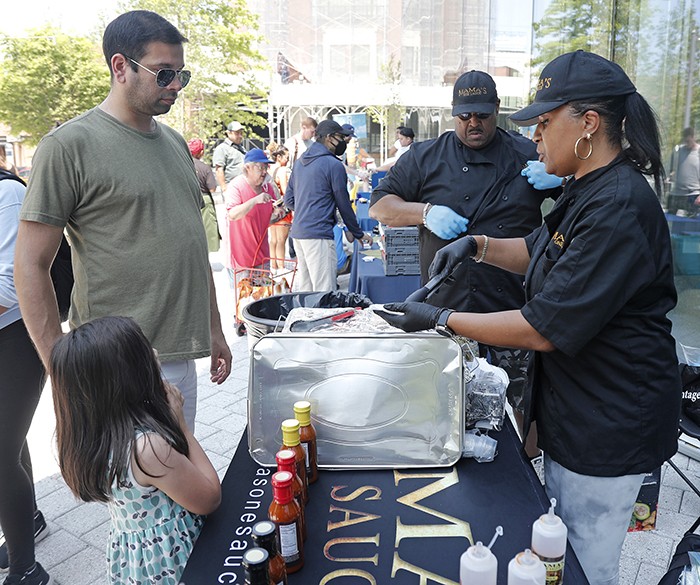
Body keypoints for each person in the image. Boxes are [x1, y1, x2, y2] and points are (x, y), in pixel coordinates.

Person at [376, 50, 680, 585]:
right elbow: (537, 248)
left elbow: (542, 327)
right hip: (575, 407)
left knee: (585, 561)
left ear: (588, 124)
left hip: (607, 421)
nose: (535, 138)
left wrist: (440, 318)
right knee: (555, 543)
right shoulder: (586, 190)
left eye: (543, 123)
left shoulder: (619, 206)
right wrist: (478, 245)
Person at [14, 10, 232, 434]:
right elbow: (29, 265)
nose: (175, 87)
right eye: (164, 73)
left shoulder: (172, 143)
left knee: (181, 488)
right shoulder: (68, 146)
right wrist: (60, 368)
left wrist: (215, 329)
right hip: (116, 365)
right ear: (120, 67)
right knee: (146, 498)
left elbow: (190, 244)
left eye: (181, 76)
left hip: (179, 357)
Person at [369, 69, 560, 456]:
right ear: (454, 113)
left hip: (511, 305)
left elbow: (583, 202)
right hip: (445, 305)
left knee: (525, 401)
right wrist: (425, 212)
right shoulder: (425, 156)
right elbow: (381, 206)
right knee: (442, 401)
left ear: (496, 110)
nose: (473, 123)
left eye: (482, 115)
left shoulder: (527, 153)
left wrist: (560, 181)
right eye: (464, 116)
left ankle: (526, 470)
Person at [49, 316, 221, 585]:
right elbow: (209, 498)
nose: (155, 353)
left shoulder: (94, 437)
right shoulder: (148, 449)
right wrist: (182, 426)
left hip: (136, 561)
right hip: (175, 563)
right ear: (124, 378)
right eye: (143, 351)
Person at [0, 171, 51, 585]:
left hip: (19, 339)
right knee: (8, 443)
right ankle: (28, 518)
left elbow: (13, 286)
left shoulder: (8, 193)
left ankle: (27, 571)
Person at [284, 120, 373, 292]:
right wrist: (358, 233)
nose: (343, 142)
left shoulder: (300, 162)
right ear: (329, 138)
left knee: (306, 292)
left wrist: (307, 209)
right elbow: (344, 204)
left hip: (298, 234)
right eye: (340, 137)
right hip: (318, 235)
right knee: (325, 293)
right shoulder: (333, 165)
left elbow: (289, 200)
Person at [225, 148, 286, 335]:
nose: (264, 172)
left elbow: (270, 219)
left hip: (262, 253)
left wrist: (279, 214)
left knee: (261, 296)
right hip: (240, 254)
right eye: (260, 167)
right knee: (243, 299)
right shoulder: (236, 186)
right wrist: (255, 200)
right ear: (247, 168)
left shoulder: (269, 188)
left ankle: (259, 326)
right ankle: (241, 325)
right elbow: (233, 214)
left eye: (266, 167)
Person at [188, 138, 220, 253]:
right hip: (204, 200)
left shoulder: (184, 165)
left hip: (188, 199)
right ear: (201, 152)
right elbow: (212, 188)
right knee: (207, 231)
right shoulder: (204, 168)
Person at [267, 143, 293, 274]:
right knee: (282, 239)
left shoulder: (269, 169)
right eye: (286, 157)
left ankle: (273, 266)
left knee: (273, 239)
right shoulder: (282, 171)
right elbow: (285, 190)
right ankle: (281, 266)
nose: (288, 160)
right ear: (279, 157)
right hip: (283, 209)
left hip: (272, 208)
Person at [667, 127, 700, 216]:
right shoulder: (679, 151)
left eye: (688, 141)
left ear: (693, 138)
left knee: (691, 224)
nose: (686, 143)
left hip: (693, 194)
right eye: (685, 141)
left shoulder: (698, 152)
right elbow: (671, 169)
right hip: (677, 193)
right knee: (670, 219)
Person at [213, 121, 246, 192]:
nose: (240, 136)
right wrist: (224, 187)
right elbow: (219, 169)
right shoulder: (222, 149)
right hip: (231, 187)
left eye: (241, 133)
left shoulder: (242, 148)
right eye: (237, 133)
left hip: (244, 186)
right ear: (229, 133)